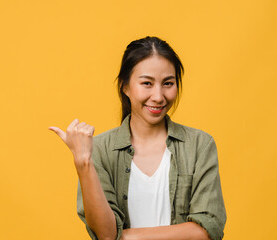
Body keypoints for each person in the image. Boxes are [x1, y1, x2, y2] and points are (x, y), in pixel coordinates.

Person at [49, 36, 226, 240]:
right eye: (147, 83)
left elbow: (207, 230)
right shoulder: (99, 149)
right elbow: (105, 234)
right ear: (125, 86)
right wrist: (83, 163)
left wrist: (124, 238)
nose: (158, 96)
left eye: (168, 83)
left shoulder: (199, 145)